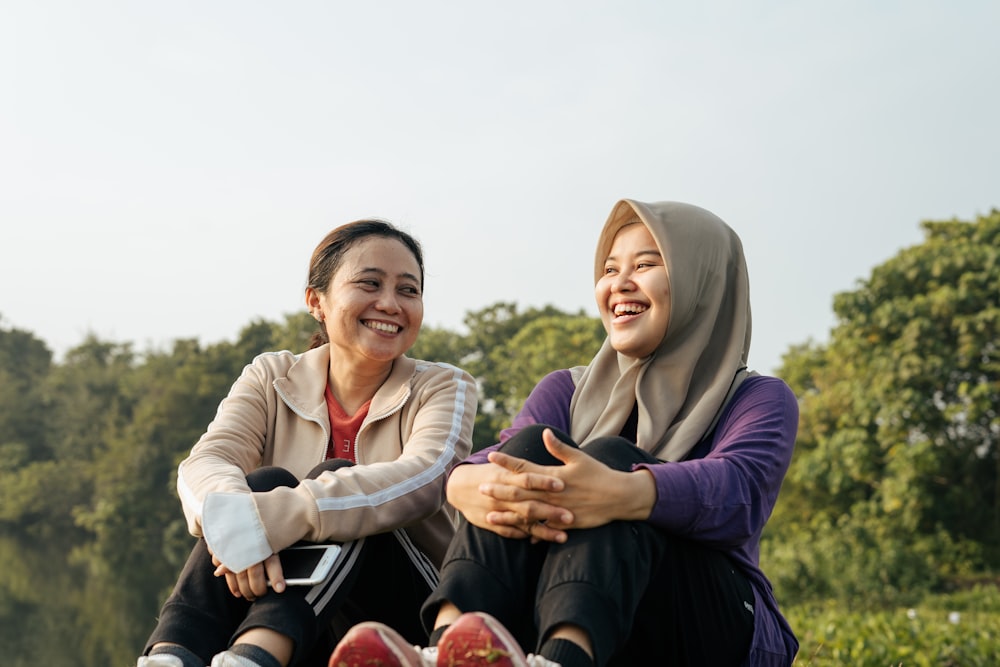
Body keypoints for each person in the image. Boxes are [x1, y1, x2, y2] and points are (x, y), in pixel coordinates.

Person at [327, 199, 800, 667]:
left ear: (704, 281)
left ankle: (564, 657)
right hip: (553, 601)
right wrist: (464, 480)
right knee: (530, 450)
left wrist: (624, 489)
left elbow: (738, 495)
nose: (620, 284)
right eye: (610, 269)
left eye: (647, 265)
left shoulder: (757, 398)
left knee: (612, 455)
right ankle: (451, 643)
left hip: (707, 619)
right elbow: (502, 455)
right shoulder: (567, 389)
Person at [137, 219, 478, 667]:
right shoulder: (270, 375)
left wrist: (282, 519)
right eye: (370, 283)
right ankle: (172, 655)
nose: (391, 303)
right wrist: (239, 530)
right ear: (316, 301)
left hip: (401, 612)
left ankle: (255, 656)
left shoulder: (443, 386)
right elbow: (205, 463)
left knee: (338, 482)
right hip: (290, 611)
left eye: (408, 290)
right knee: (259, 481)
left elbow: (426, 479)